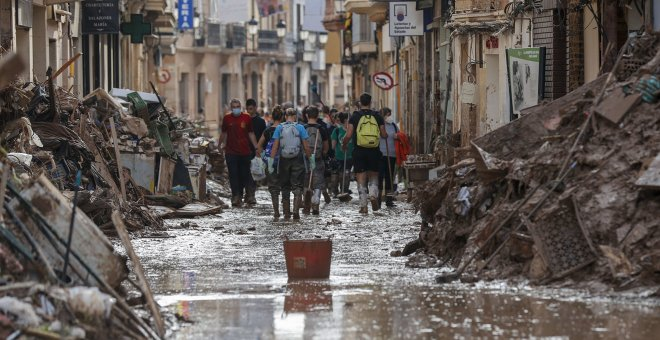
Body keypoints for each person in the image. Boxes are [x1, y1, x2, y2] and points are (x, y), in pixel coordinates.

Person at [341, 93, 387, 214]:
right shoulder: (377, 116)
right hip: (374, 150)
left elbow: (349, 135)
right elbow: (383, 135)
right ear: (370, 102)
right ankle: (373, 195)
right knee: (373, 176)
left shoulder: (355, 116)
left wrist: (344, 144)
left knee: (361, 178)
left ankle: (363, 206)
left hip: (359, 150)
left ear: (360, 103)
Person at [269, 108, 312, 220]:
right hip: (298, 158)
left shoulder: (279, 128)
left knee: (285, 186)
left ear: (285, 116)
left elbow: (275, 146)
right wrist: (311, 159)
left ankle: (287, 213)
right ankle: (296, 211)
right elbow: (306, 146)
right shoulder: (300, 127)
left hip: (284, 159)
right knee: (297, 185)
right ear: (295, 116)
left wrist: (271, 161)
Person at [219, 98, 259, 207]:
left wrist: (256, 147)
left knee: (245, 174)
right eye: (234, 107)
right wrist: (219, 145)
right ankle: (236, 196)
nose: (236, 109)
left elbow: (251, 133)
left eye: (238, 107)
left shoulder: (246, 118)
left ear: (240, 107)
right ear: (231, 108)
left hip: (245, 151)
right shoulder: (227, 118)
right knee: (233, 175)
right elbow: (223, 133)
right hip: (231, 151)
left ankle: (248, 195)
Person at [256, 105, 283, 220]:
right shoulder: (284, 129)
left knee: (273, 187)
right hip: (284, 161)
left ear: (272, 117)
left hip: (270, 162)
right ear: (282, 118)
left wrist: (264, 157)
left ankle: (276, 211)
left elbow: (259, 146)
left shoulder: (267, 131)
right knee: (285, 187)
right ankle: (287, 212)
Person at [303, 106, 330, 215]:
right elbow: (326, 146)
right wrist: (323, 154)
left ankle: (306, 203)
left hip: (305, 159)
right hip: (318, 158)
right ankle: (316, 203)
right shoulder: (322, 128)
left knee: (305, 181)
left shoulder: (303, 128)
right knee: (318, 182)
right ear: (317, 115)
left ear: (306, 115)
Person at [244, 98, 266, 205]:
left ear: (255, 108)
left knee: (253, 173)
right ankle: (246, 193)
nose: (249, 111)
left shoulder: (261, 122)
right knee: (244, 173)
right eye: (248, 109)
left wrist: (261, 150)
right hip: (243, 150)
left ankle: (251, 195)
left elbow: (264, 136)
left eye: (251, 109)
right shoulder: (243, 121)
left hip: (255, 151)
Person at [378, 107, 399, 208]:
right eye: (387, 115)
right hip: (381, 154)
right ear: (383, 115)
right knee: (380, 176)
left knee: (389, 177)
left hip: (392, 154)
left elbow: (399, 135)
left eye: (390, 115)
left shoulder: (393, 125)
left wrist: (397, 136)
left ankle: (389, 200)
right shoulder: (378, 125)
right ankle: (378, 199)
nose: (389, 117)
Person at [331, 112, 354, 196]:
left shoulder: (352, 132)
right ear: (345, 120)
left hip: (349, 157)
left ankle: (344, 191)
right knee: (337, 176)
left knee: (346, 175)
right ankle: (335, 191)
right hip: (338, 157)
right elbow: (333, 146)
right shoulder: (337, 131)